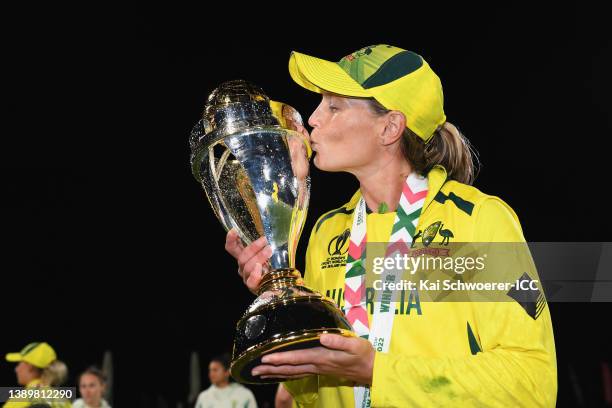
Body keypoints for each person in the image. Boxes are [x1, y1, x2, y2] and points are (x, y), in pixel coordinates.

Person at [224, 44, 557, 407]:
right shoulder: (326, 232)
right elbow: (314, 392)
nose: (314, 118)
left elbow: (530, 385)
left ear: (390, 127)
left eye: (334, 106)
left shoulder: (477, 220)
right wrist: (280, 296)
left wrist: (378, 371)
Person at [3, 342, 71, 408]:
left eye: (19, 363)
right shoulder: (63, 401)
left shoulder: (19, 401)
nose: (16, 369)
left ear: (30, 366)